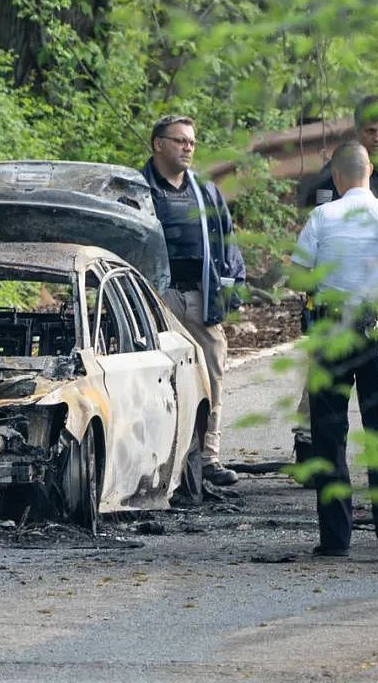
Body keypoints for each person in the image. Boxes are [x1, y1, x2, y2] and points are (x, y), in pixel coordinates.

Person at [292, 141, 378, 561]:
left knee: (330, 433)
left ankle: (336, 537)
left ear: (335, 176)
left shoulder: (322, 216)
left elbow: (298, 277)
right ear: (370, 172)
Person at [293, 96, 378, 466]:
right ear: (356, 131)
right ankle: (311, 447)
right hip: (333, 297)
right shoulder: (329, 175)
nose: (377, 137)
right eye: (370, 131)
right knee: (324, 390)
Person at [141, 114, 246, 486]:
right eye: (180, 140)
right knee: (156, 379)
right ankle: (159, 460)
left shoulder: (205, 191)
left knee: (212, 372)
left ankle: (208, 458)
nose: (188, 147)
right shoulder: (138, 189)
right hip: (157, 299)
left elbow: (226, 240)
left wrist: (232, 289)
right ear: (158, 144)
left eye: (192, 142)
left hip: (201, 296)